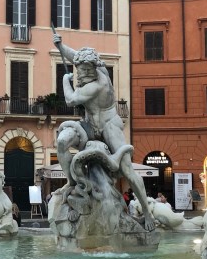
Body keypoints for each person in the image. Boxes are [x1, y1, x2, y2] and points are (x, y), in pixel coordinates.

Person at [53, 32, 154, 231]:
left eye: (82, 71)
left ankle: (147, 212)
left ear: (93, 69)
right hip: (89, 126)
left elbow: (71, 100)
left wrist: (65, 80)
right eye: (77, 70)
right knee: (62, 142)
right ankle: (72, 182)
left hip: (109, 126)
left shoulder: (98, 84)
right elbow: (77, 57)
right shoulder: (91, 66)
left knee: (127, 170)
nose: (79, 74)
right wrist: (61, 47)